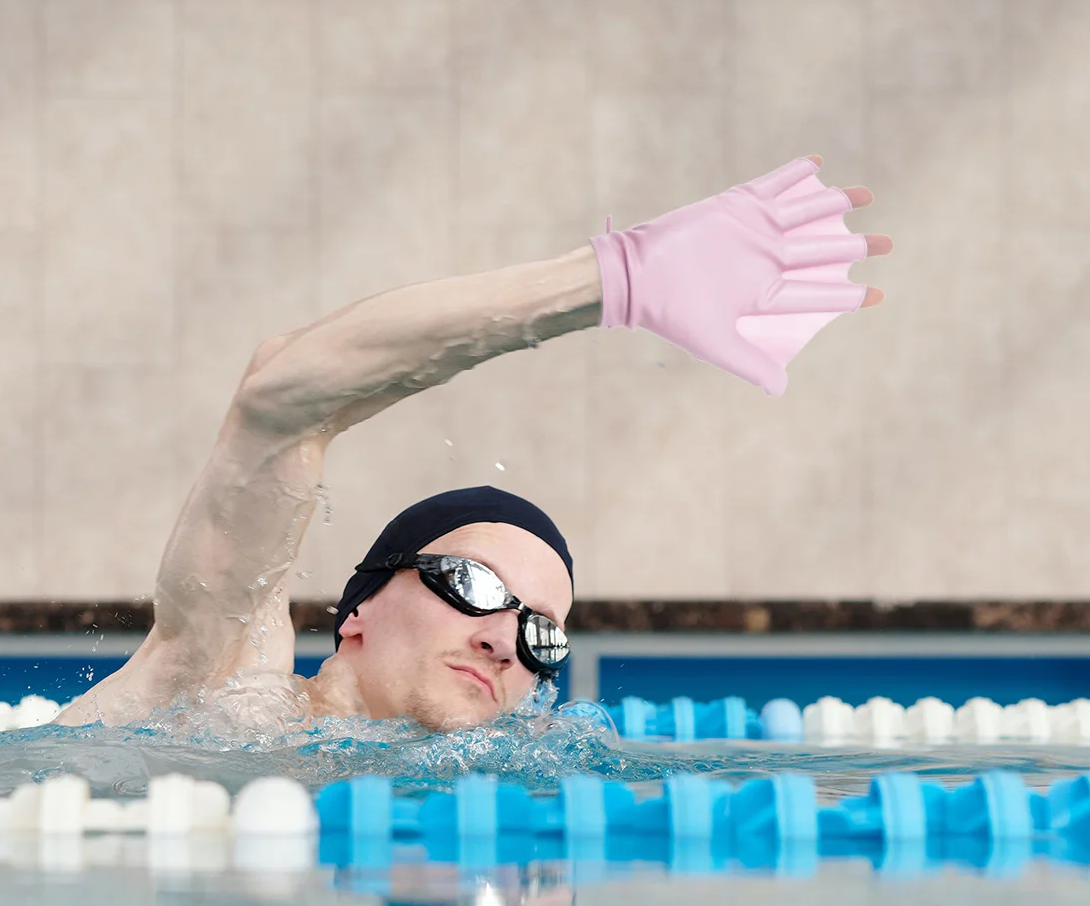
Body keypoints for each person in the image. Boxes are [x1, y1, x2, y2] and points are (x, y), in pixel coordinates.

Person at [59, 156, 892, 735]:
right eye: (472, 585)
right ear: (360, 611)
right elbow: (281, 400)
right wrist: (610, 281)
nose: (505, 641)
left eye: (542, 636)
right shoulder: (222, 687)